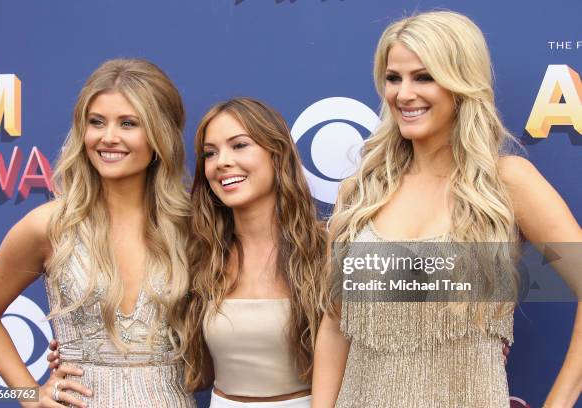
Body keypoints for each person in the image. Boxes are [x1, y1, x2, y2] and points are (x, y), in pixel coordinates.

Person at [311, 11, 582, 408]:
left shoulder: (506, 182)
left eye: (423, 77)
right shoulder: (361, 190)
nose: (403, 94)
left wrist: (558, 403)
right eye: (393, 78)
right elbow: (335, 326)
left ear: (460, 83)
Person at [0, 59, 196, 407]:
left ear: (159, 134)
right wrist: (31, 396)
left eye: (128, 123)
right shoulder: (50, 225)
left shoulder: (191, 225)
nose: (108, 137)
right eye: (96, 122)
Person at [183, 97, 327, 407]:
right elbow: (193, 372)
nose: (221, 161)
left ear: (277, 155)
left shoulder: (325, 250)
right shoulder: (200, 255)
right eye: (210, 153)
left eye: (239, 145)